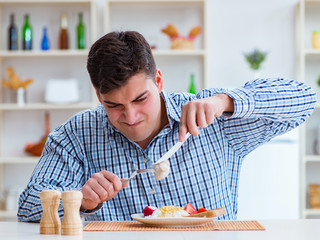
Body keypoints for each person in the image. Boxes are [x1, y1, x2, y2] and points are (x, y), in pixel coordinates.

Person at [18, 31, 316, 222]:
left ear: (158, 80)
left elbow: (305, 99)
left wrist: (225, 101)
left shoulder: (213, 119)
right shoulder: (78, 133)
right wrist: (80, 201)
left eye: (141, 99)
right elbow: (29, 208)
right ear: (98, 96)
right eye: (114, 106)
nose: (131, 116)